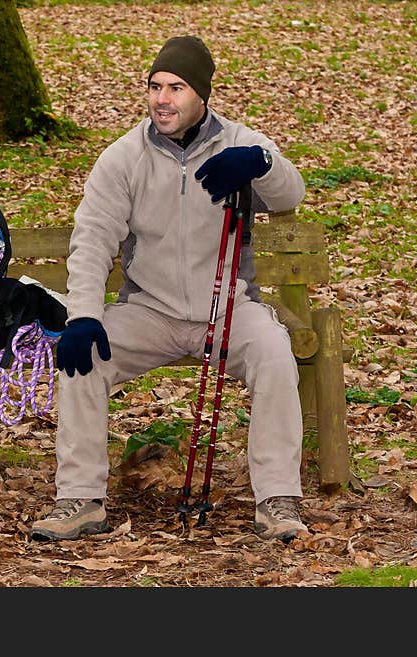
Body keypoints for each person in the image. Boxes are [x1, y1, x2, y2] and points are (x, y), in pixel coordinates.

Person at [30, 35, 309, 544]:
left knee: (274, 352)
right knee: (82, 359)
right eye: (155, 87)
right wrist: (84, 316)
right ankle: (80, 498)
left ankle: (278, 500)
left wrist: (260, 165)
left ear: (201, 93)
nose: (162, 98)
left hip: (228, 308)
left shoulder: (239, 141)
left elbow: (292, 192)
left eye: (176, 87)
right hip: (149, 311)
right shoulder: (123, 158)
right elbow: (92, 240)